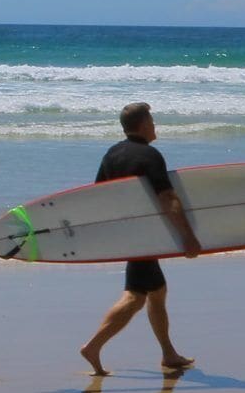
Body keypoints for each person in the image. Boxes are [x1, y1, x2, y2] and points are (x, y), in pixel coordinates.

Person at [79, 102, 200, 375]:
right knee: (135, 297)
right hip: (144, 236)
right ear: (144, 124)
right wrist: (188, 237)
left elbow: (97, 194)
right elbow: (168, 198)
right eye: (153, 121)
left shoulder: (112, 154)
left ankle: (168, 354)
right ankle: (93, 347)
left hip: (129, 234)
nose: (155, 126)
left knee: (157, 292)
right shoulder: (150, 156)